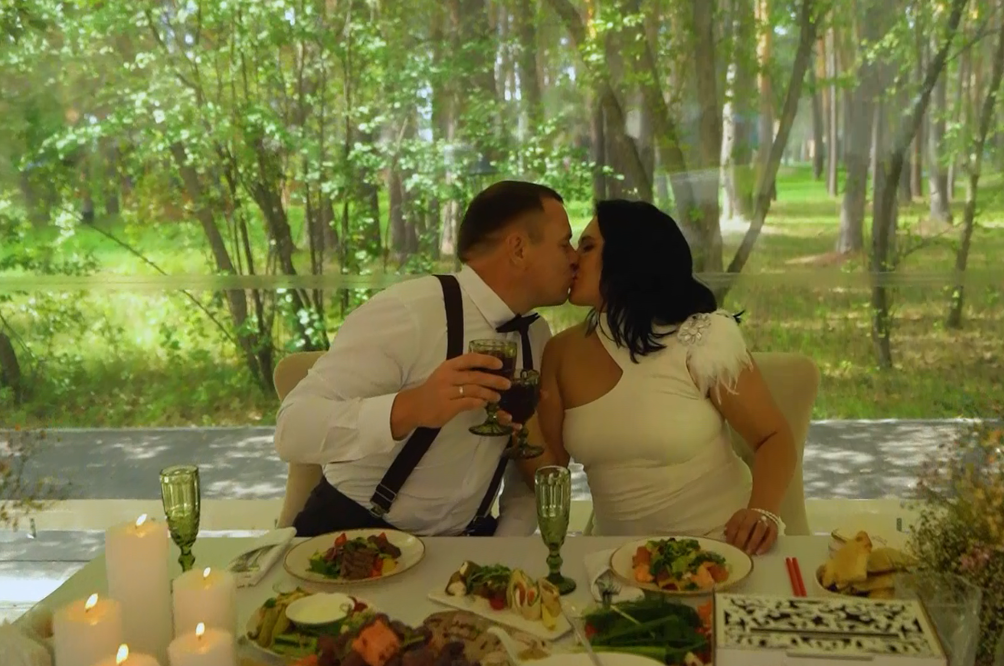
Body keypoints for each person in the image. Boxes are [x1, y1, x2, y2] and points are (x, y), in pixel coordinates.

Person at [275, 180, 578, 538]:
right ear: (518, 249)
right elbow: (292, 430)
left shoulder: (536, 336)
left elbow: (521, 476)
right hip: (353, 533)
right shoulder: (410, 312)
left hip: (468, 542)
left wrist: (504, 546)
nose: (575, 257)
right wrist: (411, 407)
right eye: (565, 244)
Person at [532, 199, 796, 555]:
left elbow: (773, 437)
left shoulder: (701, 338)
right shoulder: (561, 352)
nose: (574, 259)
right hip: (619, 560)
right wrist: (516, 420)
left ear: (630, 256)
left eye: (588, 247)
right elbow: (549, 473)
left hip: (725, 550)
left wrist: (762, 512)